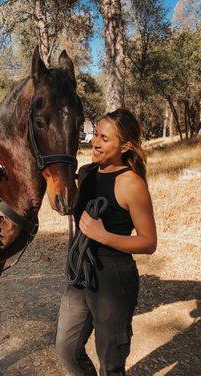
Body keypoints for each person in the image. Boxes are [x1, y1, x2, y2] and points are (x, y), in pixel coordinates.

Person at [55, 108, 157, 376]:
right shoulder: (87, 173)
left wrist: (104, 236)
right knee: (66, 347)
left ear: (124, 146)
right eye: (95, 134)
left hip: (113, 279)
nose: (95, 142)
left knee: (111, 363)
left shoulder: (131, 184)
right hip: (81, 274)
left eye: (104, 138)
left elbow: (148, 243)